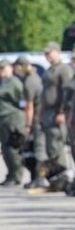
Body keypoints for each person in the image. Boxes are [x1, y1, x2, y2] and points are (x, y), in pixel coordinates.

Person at [28, 42, 74, 191]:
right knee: (49, 146)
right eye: (46, 54)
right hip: (47, 112)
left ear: (57, 52)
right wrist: (40, 113)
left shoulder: (64, 69)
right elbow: (43, 95)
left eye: (50, 53)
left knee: (56, 146)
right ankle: (55, 178)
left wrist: (62, 111)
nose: (48, 56)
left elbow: (67, 92)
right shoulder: (49, 71)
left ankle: (63, 177)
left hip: (56, 112)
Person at [0, 58, 28, 187]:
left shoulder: (13, 82)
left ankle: (16, 175)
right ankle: (10, 174)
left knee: (13, 148)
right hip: (4, 118)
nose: (1, 71)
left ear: (10, 68)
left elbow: (22, 101)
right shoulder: (4, 82)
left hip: (13, 118)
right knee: (6, 149)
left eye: (3, 68)